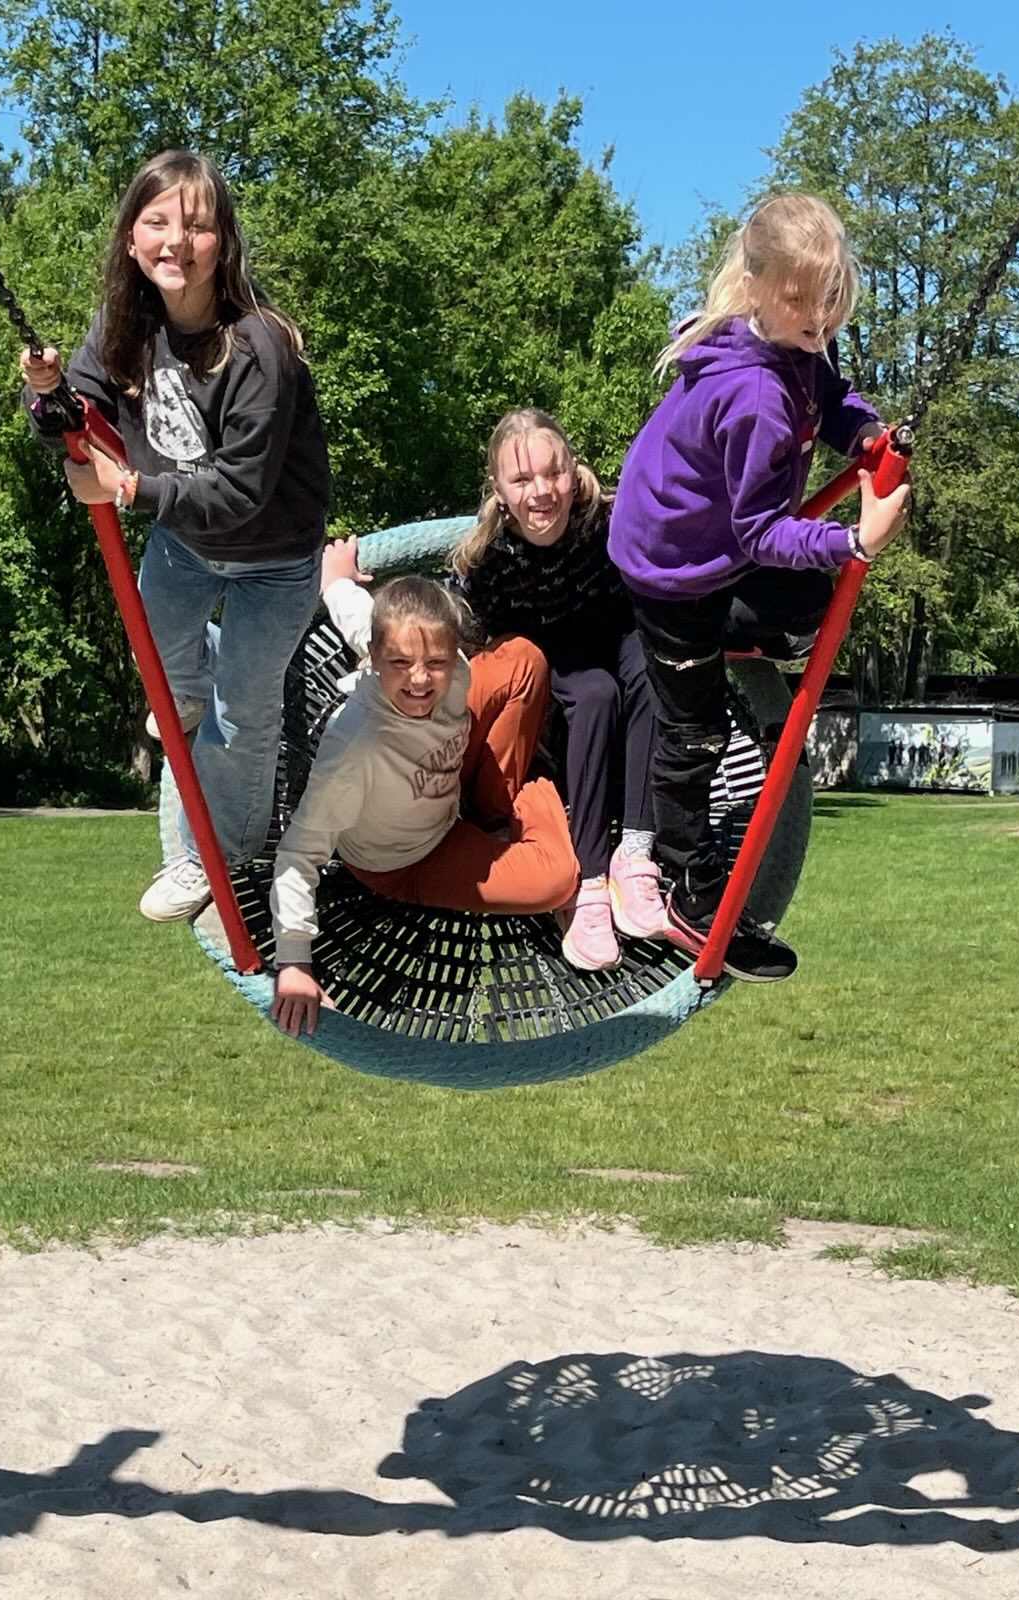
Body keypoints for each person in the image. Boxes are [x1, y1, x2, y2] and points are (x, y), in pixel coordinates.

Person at [20, 149, 330, 921]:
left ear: (222, 242)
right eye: (157, 222)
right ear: (131, 238)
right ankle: (194, 684)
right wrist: (48, 397)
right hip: (185, 546)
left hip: (275, 557)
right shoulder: (120, 329)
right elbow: (77, 420)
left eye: (196, 225)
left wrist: (131, 488)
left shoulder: (259, 346)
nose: (175, 241)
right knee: (162, 670)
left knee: (241, 716)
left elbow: (241, 492)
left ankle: (216, 859)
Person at [609, 191, 911, 982]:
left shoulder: (802, 348)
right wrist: (856, 540)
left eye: (831, 297)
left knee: (809, 601)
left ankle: (744, 628)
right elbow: (761, 534)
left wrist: (864, 431)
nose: (818, 317)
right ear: (756, 288)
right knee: (696, 732)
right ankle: (685, 879)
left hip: (718, 548)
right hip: (672, 570)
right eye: (799, 300)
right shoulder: (755, 398)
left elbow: (831, 395)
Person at [270, 543, 579, 1038]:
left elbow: (367, 621)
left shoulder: (448, 668)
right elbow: (299, 852)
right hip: (410, 857)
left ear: (455, 648)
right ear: (375, 659)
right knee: (556, 880)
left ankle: (496, 807)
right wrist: (293, 961)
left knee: (523, 659)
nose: (418, 678)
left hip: (447, 781)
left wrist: (337, 581)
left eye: (436, 660)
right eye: (400, 662)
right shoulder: (356, 747)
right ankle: (536, 786)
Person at [449, 410, 666, 973]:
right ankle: (589, 881)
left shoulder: (604, 518)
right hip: (550, 657)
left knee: (652, 668)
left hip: (616, 632)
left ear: (573, 470)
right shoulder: (491, 560)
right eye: (521, 480)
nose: (541, 492)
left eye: (553, 473)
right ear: (499, 490)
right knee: (596, 695)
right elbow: (461, 636)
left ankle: (634, 852)